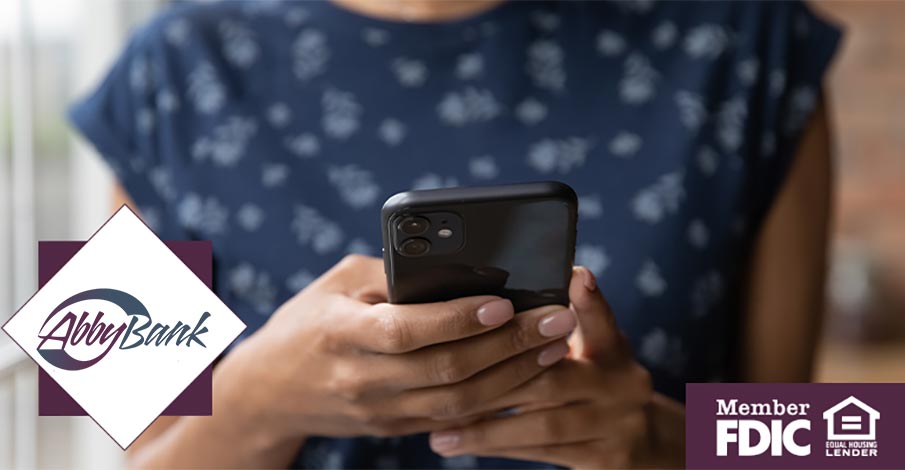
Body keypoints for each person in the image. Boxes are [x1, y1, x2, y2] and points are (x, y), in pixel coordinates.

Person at [69, 0, 841, 468]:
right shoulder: (159, 79)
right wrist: (254, 402)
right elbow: (135, 459)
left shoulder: (755, 48)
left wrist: (652, 440)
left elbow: (831, 441)